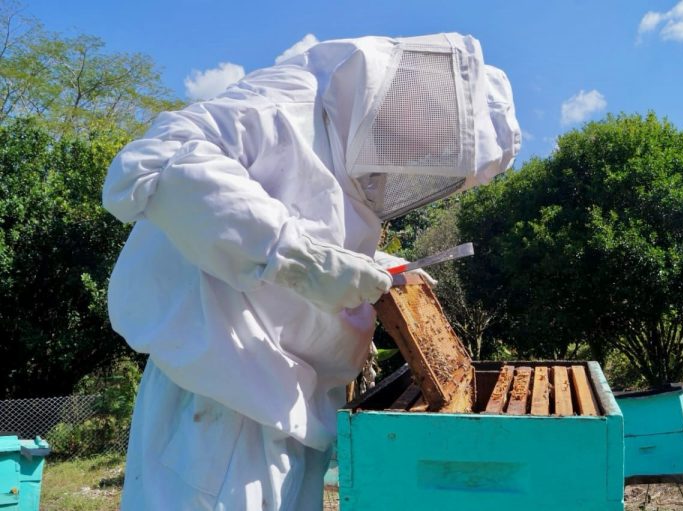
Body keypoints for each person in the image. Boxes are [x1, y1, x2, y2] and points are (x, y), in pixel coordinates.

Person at [102, 32, 521, 510]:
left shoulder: (356, 164)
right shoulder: (287, 102)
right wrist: (306, 259)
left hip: (298, 410)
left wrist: (375, 267)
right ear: (422, 99)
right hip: (218, 410)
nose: (424, 153)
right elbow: (151, 165)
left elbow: (307, 231)